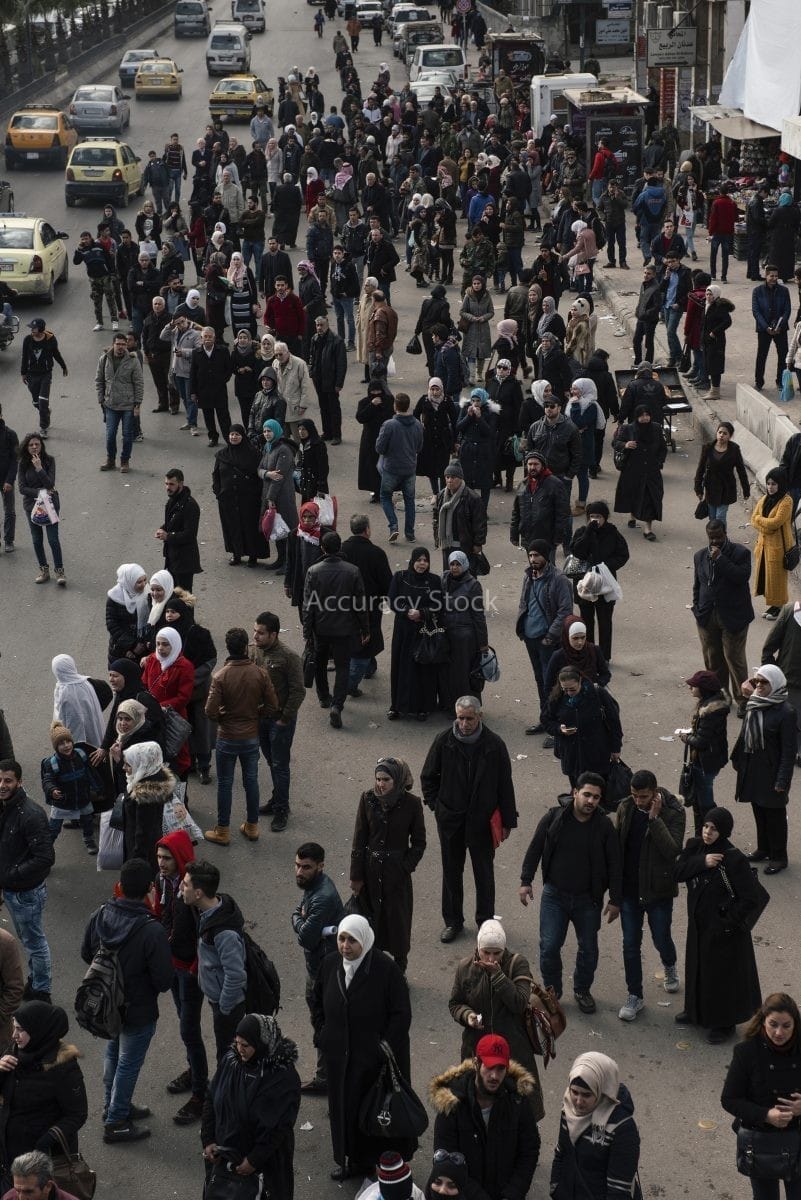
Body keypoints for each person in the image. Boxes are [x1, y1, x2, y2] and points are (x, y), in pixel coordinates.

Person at [311, 914, 413, 1182]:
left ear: (364, 941)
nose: (345, 946)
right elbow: (316, 999)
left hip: (373, 1061)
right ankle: (351, 1160)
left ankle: (378, 1165)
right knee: (344, 1111)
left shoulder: (385, 969)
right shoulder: (330, 964)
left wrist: (384, 1047)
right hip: (340, 1058)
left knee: (375, 1112)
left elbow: (401, 1013)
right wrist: (322, 1032)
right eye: (342, 939)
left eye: (352, 940)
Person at [81, 857, 173, 1142]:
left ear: (120, 885)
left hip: (106, 1005)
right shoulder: (151, 930)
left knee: (113, 1054)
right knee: (129, 1063)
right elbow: (164, 980)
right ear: (150, 887)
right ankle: (117, 1120)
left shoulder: (101, 914)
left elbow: (87, 953)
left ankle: (112, 1105)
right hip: (139, 1009)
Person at [519, 773, 621, 1014]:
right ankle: (553, 993)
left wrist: (616, 899)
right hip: (555, 896)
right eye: (586, 794)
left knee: (588, 948)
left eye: (596, 797)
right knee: (550, 946)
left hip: (588, 899)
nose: (591, 801)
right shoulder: (554, 818)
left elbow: (615, 863)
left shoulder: (604, 825)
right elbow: (535, 848)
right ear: (575, 792)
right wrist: (526, 881)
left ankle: (582, 989)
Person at [421, 696, 516, 943]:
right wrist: (437, 806)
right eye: (460, 718)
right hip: (451, 821)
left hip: (482, 823)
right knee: (451, 872)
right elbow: (428, 777)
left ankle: (486, 923)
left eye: (469, 718)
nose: (464, 724)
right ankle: (453, 922)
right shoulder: (444, 741)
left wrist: (507, 821)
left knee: (484, 874)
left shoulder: (494, 745)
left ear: (479, 717)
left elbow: (505, 785)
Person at [675, 807, 764, 1043]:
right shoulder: (695, 847)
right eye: (706, 826)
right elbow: (678, 872)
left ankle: (724, 1024)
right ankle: (695, 1011)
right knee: (698, 967)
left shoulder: (734, 859)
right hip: (699, 925)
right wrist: (702, 862)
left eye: (714, 829)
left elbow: (749, 899)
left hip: (724, 931)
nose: (707, 832)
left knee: (722, 977)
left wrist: (726, 923)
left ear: (723, 831)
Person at [448, 919, 545, 1128]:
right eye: (486, 953)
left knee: (518, 1106)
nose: (491, 958)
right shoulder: (465, 968)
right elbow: (455, 1003)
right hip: (477, 1050)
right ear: (478, 949)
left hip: (513, 1050)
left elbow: (519, 1003)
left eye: (497, 953)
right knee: (480, 1103)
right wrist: (468, 1016)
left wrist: (498, 976)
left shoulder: (517, 963)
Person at [202, 1013, 301, 1200]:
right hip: (225, 1160)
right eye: (237, 1042)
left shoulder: (282, 1077)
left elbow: (280, 1126)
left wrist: (254, 1159)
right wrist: (208, 1139)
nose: (239, 1049)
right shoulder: (230, 1063)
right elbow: (211, 1098)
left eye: (245, 1045)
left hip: (264, 1167)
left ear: (261, 1043)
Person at [430, 1032, 540, 1200]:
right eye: (489, 1067)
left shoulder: (517, 1101)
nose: (495, 1076)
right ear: (476, 1062)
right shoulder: (452, 1104)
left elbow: (529, 1150)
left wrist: (513, 1194)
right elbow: (446, 1161)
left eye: (500, 1068)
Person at [613, 769, 685, 1023]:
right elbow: (618, 848)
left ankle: (669, 964)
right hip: (631, 892)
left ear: (655, 793)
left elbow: (673, 849)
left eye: (643, 797)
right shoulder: (626, 807)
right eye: (634, 795)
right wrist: (615, 895)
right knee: (630, 944)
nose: (638, 801)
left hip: (658, 891)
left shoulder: (674, 812)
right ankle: (635, 995)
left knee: (661, 937)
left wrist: (655, 820)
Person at [721, 992, 801, 1200]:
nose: (779, 1032)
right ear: (763, 1021)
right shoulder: (746, 1052)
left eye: (786, 1026)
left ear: (795, 1025)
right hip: (761, 1141)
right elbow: (730, 1099)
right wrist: (766, 1115)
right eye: (773, 1024)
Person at [350, 758, 426, 975]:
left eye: (386, 779)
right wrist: (356, 876)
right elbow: (359, 838)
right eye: (378, 779)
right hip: (371, 872)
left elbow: (419, 843)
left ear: (398, 780)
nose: (381, 784)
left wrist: (404, 867)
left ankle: (399, 969)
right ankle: (374, 970)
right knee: (371, 921)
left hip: (396, 876)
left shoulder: (411, 804)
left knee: (398, 924)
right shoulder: (368, 799)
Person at [153, 830, 209, 1126]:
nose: (161, 863)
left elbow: (204, 932)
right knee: (182, 1019)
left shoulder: (191, 890)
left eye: (167, 858)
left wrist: (195, 965)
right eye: (159, 857)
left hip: (189, 970)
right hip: (173, 965)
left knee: (189, 1030)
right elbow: (164, 916)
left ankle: (201, 1093)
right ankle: (194, 1070)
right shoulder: (165, 882)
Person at [204, 627, 277, 846]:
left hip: (227, 737)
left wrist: (223, 717)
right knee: (251, 781)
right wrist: (256, 715)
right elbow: (273, 705)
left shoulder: (221, 676)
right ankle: (252, 826)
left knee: (225, 784)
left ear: (227, 647)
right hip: (250, 736)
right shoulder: (259, 673)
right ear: (246, 646)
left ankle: (223, 830)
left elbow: (209, 711)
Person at [0, 1003, 87, 1186]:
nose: (14, 1035)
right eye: (14, 1027)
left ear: (38, 1029)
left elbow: (77, 1114)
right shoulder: (17, 1051)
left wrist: (44, 1143)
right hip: (8, 1152)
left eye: (20, 1029)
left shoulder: (63, 1068)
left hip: (39, 1162)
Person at [549, 1053, 642, 1200]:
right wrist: (555, 1188)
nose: (578, 1102)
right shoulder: (568, 1108)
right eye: (574, 1092)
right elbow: (561, 1152)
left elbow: (618, 1190)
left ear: (602, 1091)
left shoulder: (622, 1129)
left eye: (586, 1095)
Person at [731, 665, 796, 875]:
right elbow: (745, 733)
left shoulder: (786, 712)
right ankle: (763, 848)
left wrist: (782, 780)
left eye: (764, 682)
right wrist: (737, 757)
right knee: (759, 809)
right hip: (753, 767)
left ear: (775, 684)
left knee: (775, 815)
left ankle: (778, 857)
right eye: (756, 681)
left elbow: (788, 751)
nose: (758, 686)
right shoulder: (755, 703)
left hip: (772, 771)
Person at [180, 860, 247, 1061]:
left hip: (227, 1005)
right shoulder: (212, 909)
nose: (181, 888)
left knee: (227, 1055)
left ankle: (228, 1090)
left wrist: (224, 1007)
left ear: (198, 893)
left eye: (185, 884)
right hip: (218, 998)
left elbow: (235, 975)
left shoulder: (223, 933)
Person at [290, 843, 344, 1094]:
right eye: (298, 865)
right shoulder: (314, 886)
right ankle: (327, 1077)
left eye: (306, 867)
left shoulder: (322, 896)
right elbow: (298, 914)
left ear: (320, 867)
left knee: (325, 1026)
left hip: (324, 972)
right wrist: (301, 919)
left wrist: (300, 920)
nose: (299, 872)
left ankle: (329, 1080)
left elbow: (306, 938)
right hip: (319, 966)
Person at [303, 531, 369, 729]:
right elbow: (360, 604)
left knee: (320, 663)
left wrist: (307, 631)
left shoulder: (313, 571)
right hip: (344, 628)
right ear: (339, 547)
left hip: (321, 628)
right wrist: (364, 628)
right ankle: (337, 705)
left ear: (322, 548)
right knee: (342, 667)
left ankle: (323, 696)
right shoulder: (353, 571)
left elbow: (308, 605)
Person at [0, 761, 54, 1004]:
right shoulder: (5, 807)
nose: (2, 785)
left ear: (20, 782)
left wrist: (12, 873)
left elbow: (45, 857)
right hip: (12, 889)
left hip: (26, 894)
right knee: (27, 938)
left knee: (34, 942)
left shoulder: (30, 815)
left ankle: (41, 990)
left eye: (8, 780)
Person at [249, 613, 305, 831]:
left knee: (280, 765)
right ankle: (277, 799)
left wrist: (284, 719)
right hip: (261, 718)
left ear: (273, 634)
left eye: (261, 633)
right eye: (255, 631)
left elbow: (298, 691)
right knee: (272, 762)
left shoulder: (289, 657)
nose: (256, 636)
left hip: (279, 721)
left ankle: (282, 809)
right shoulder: (253, 651)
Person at [693, 520, 755, 711]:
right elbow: (698, 585)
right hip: (707, 615)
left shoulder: (740, 553)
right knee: (713, 660)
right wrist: (697, 608)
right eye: (711, 537)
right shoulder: (700, 556)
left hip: (733, 616)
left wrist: (720, 559)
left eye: (718, 537)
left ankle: (743, 700)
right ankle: (720, 697)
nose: (715, 541)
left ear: (725, 533)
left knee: (734, 659)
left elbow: (740, 576)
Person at [515, 540, 573, 734]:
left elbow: (565, 610)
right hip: (531, 638)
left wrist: (550, 636)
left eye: (537, 555)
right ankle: (545, 719)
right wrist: (522, 628)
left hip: (548, 640)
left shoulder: (559, 579)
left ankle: (556, 726)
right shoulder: (528, 577)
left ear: (546, 556)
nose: (533, 559)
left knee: (553, 684)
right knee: (540, 681)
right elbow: (524, 603)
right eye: (530, 555)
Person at [387, 547, 443, 720]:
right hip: (403, 630)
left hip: (423, 631)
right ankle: (397, 706)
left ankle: (422, 708)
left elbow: (439, 605)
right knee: (400, 666)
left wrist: (422, 613)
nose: (422, 564)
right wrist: (406, 611)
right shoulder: (400, 577)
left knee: (422, 669)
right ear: (412, 561)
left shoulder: (434, 580)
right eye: (419, 560)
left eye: (425, 560)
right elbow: (392, 600)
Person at [569, 501, 629, 660]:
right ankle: (588, 655)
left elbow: (623, 555)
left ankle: (604, 657)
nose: (595, 520)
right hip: (584, 585)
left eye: (598, 517)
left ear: (605, 517)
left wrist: (605, 567)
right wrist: (588, 533)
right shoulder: (582, 532)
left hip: (605, 585)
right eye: (592, 517)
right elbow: (576, 552)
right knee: (586, 622)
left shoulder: (613, 533)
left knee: (605, 623)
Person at [342, 515, 392, 697]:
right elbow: (387, 582)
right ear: (367, 530)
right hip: (371, 605)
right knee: (366, 641)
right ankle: (350, 683)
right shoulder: (376, 553)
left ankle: (370, 665)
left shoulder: (342, 549)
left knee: (356, 637)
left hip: (345, 605)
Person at [679, 670, 731, 833]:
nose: (690, 688)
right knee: (698, 800)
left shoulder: (710, 713)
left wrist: (685, 737)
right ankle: (700, 832)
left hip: (705, 762)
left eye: (693, 686)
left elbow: (701, 741)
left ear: (704, 689)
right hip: (707, 759)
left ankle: (711, 831)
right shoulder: (710, 707)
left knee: (705, 802)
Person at [141, 628, 195, 779]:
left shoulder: (185, 666)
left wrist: (159, 707)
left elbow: (183, 697)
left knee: (177, 757)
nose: (160, 648)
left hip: (173, 718)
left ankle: (181, 798)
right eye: (158, 644)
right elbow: (144, 684)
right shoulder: (152, 660)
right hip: (152, 717)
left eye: (165, 644)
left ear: (175, 645)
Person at [212, 425, 265, 568]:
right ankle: (236, 554)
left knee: (249, 527)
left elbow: (258, 476)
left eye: (237, 434)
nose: (234, 437)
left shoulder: (254, 454)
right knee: (232, 526)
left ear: (243, 436)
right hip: (228, 499)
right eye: (231, 434)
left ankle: (253, 555)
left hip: (248, 499)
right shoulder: (222, 455)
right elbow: (216, 475)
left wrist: (256, 493)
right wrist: (218, 492)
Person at [439, 553, 488, 708]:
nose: (454, 567)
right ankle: (448, 704)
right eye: (452, 564)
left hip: (464, 638)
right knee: (447, 672)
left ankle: (467, 709)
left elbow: (478, 615)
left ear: (465, 565)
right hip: (447, 633)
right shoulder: (445, 579)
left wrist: (483, 644)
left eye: (458, 564)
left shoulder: (473, 585)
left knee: (463, 675)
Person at [42, 723, 99, 855]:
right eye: (61, 743)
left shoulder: (81, 755)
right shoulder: (52, 763)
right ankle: (45, 849)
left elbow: (90, 773)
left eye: (68, 741)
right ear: (56, 747)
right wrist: (52, 790)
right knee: (54, 828)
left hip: (82, 798)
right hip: (62, 802)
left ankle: (89, 839)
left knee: (87, 820)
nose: (66, 745)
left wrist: (98, 788)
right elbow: (48, 780)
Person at [375, 393, 424, 544]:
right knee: (409, 500)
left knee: (385, 496)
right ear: (408, 406)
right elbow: (419, 447)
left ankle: (393, 525)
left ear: (395, 406)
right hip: (409, 468)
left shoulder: (389, 425)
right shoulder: (417, 424)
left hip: (391, 468)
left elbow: (379, 448)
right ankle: (410, 533)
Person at [17, 434, 65, 586]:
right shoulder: (23, 464)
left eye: (37, 444)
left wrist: (39, 468)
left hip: (50, 505)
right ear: (27, 447)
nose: (34, 447)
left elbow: (50, 483)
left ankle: (59, 571)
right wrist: (40, 493)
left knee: (53, 540)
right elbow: (22, 488)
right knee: (37, 540)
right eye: (31, 445)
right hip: (32, 507)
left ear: (41, 446)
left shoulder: (49, 461)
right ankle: (44, 570)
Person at [613, 406, 667, 542]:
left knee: (651, 497)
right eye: (641, 415)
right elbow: (615, 442)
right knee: (633, 493)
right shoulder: (628, 429)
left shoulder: (655, 428)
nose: (645, 418)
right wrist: (625, 445)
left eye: (647, 415)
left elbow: (662, 447)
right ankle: (633, 516)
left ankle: (648, 529)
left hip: (651, 470)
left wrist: (659, 462)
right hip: (632, 469)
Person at [121, 741, 174, 870]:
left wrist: (137, 862)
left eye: (128, 764)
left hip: (141, 850)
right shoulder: (155, 775)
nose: (124, 768)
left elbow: (143, 832)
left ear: (142, 765)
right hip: (151, 843)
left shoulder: (145, 796)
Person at [751, 468, 794, 620]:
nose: (770, 487)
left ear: (780, 484)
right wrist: (765, 525)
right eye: (768, 483)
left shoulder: (786, 501)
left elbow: (775, 523)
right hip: (764, 546)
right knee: (768, 577)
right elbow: (753, 518)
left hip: (779, 547)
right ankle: (774, 605)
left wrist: (760, 522)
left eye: (774, 484)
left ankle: (780, 607)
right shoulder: (765, 499)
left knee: (777, 578)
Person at [432, 462, 488, 573]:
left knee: (465, 575)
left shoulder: (472, 498)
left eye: (453, 477)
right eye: (447, 477)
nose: (449, 480)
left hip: (464, 545)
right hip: (446, 545)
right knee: (449, 574)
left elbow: (480, 523)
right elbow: (436, 519)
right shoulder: (441, 495)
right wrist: (436, 538)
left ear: (460, 478)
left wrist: (478, 543)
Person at [694, 421, 750, 527]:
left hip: (727, 489)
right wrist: (698, 488)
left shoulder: (734, 450)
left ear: (730, 436)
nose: (721, 435)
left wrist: (746, 489)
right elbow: (700, 469)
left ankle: (722, 540)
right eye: (720, 432)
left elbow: (741, 470)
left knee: (720, 517)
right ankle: (714, 539)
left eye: (725, 433)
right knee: (712, 517)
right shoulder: (708, 448)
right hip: (711, 488)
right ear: (716, 433)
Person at [19, 320, 68, 441]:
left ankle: (43, 427)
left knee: (42, 401)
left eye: (34, 328)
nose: (31, 330)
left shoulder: (50, 339)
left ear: (40, 329)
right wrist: (23, 373)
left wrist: (63, 366)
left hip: (45, 374)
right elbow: (24, 357)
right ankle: (46, 411)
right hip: (31, 375)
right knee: (36, 403)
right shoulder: (27, 340)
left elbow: (56, 353)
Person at [156, 468, 202, 591]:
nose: (168, 487)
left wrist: (168, 536)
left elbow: (190, 534)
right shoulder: (172, 501)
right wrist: (163, 528)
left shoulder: (190, 505)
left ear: (180, 484)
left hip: (184, 562)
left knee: (184, 599)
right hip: (172, 558)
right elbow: (173, 523)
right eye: (166, 483)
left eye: (171, 484)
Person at [189, 326, 232, 447]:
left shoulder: (222, 351)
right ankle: (213, 437)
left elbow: (228, 369)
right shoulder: (196, 353)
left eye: (210, 336)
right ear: (201, 338)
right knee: (208, 416)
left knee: (224, 416)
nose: (207, 339)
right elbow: (192, 373)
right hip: (203, 391)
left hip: (219, 391)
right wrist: (193, 392)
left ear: (214, 338)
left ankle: (229, 438)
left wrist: (222, 380)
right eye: (205, 337)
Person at [50, 654, 105, 747]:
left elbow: (73, 721)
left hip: (76, 742)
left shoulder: (66, 692)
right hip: (92, 728)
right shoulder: (85, 682)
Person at [752, 266, 792, 392]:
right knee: (762, 356)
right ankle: (759, 382)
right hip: (764, 329)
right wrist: (766, 327)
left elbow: (787, 310)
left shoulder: (784, 291)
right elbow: (756, 311)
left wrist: (780, 325)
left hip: (781, 329)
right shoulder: (757, 291)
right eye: (771, 276)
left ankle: (780, 381)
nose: (774, 278)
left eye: (776, 276)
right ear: (766, 275)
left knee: (783, 355)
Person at [309, 316, 347, 444]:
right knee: (323, 407)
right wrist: (311, 372)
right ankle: (327, 432)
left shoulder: (336, 341)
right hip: (318, 379)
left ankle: (337, 435)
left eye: (322, 325)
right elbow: (312, 357)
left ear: (327, 325)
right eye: (317, 325)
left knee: (334, 409)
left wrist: (339, 383)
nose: (319, 328)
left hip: (331, 381)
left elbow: (341, 364)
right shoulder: (314, 338)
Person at [700, 283, 735, 402]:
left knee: (715, 366)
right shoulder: (708, 305)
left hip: (716, 342)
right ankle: (713, 389)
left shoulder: (719, 306)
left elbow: (727, 322)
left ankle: (715, 391)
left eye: (710, 294)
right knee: (710, 364)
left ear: (716, 295)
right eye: (707, 294)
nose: (708, 296)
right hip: (708, 341)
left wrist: (714, 332)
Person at [632, 266, 661, 365]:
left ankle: (648, 363)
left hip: (650, 320)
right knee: (636, 340)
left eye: (649, 274)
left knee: (649, 343)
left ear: (653, 275)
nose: (646, 275)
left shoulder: (656, 288)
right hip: (641, 318)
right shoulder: (644, 284)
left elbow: (657, 306)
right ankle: (638, 362)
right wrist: (638, 310)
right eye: (645, 273)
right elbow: (641, 299)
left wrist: (646, 313)